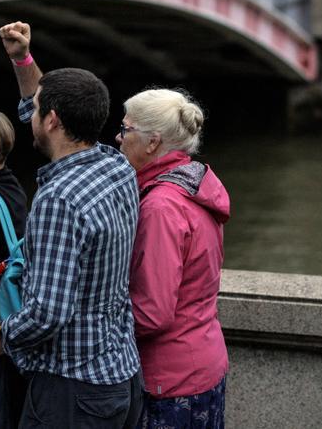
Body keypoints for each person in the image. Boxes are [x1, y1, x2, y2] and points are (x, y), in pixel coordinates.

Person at [0, 21, 142, 428]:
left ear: (51, 120)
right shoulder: (116, 165)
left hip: (71, 390)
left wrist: (2, 334)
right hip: (119, 373)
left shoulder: (58, 200)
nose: (28, 113)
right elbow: (39, 104)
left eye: (35, 111)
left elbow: (48, 313)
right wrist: (23, 59)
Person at [118, 89, 229, 429]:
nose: (118, 137)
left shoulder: (161, 207)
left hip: (168, 379)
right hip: (204, 361)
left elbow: (152, 312)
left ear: (152, 143)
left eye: (126, 129)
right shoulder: (195, 185)